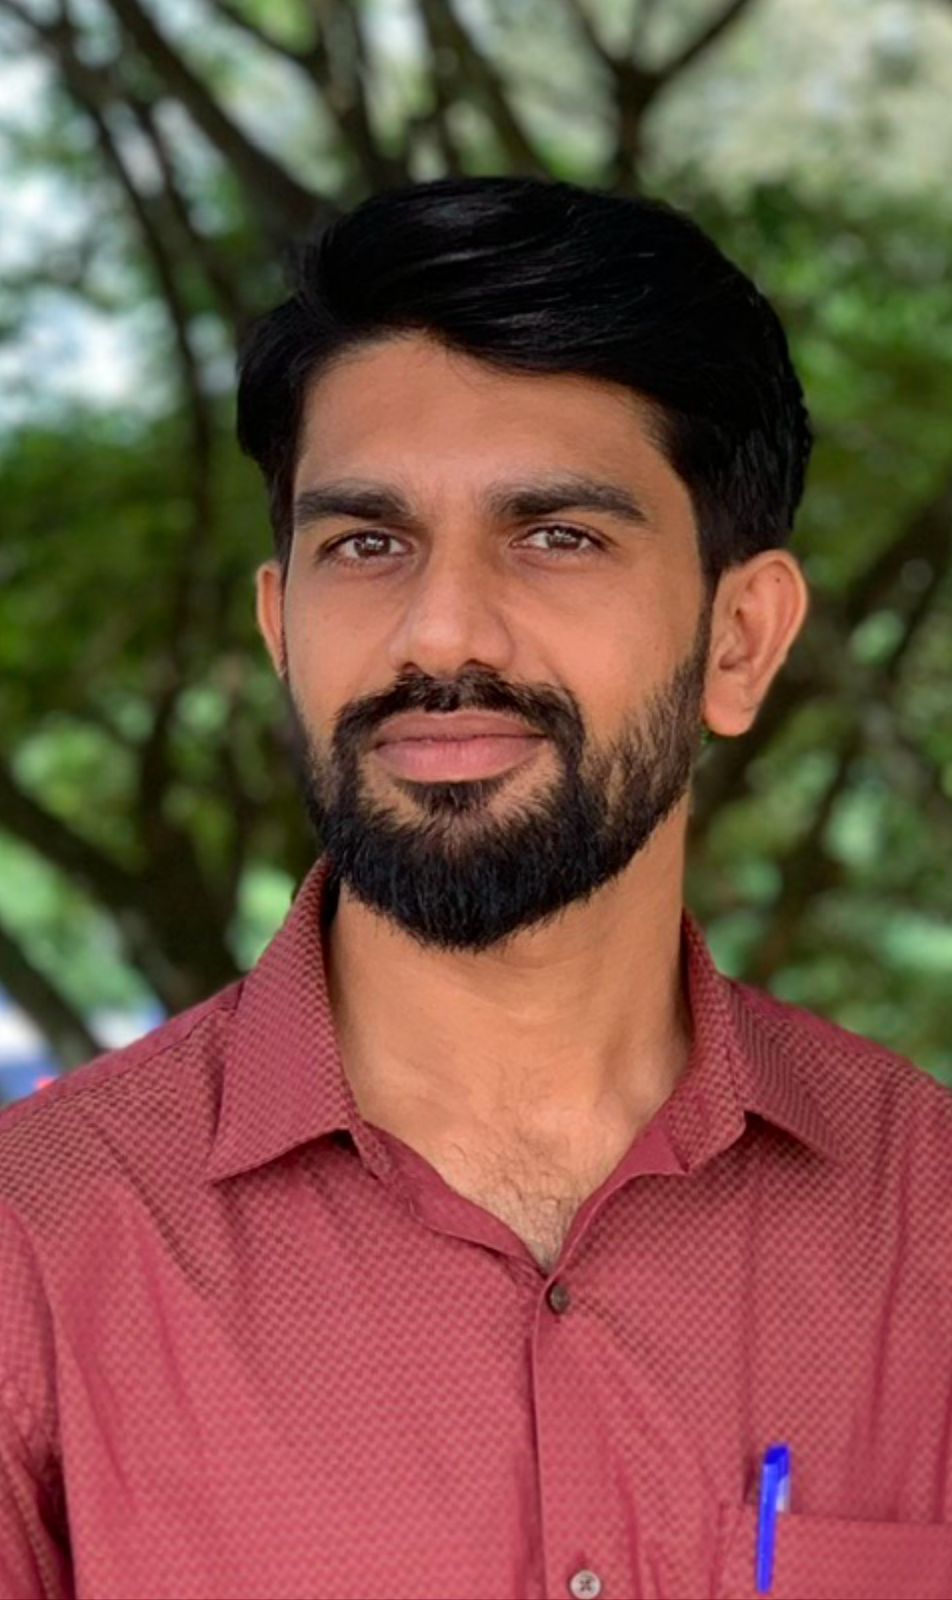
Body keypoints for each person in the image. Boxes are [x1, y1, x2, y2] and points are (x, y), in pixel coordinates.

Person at [1, 174, 950, 1600]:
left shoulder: (929, 1225)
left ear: (740, 639)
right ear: (281, 626)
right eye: (366, 544)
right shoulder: (33, 1252)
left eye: (558, 535)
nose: (440, 631)